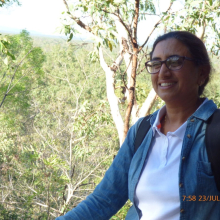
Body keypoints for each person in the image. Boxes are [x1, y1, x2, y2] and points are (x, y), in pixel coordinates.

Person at [56, 31, 220, 220]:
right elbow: (104, 200)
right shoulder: (143, 131)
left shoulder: (214, 132)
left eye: (175, 62)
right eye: (156, 64)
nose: (163, 72)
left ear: (202, 72)